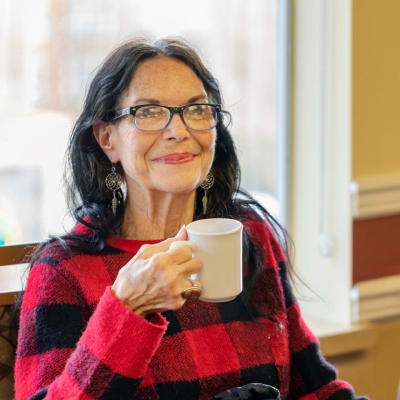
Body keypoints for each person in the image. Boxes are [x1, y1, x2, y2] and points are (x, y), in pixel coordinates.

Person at [14, 37, 368, 400]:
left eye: (197, 109)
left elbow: (316, 387)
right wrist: (127, 309)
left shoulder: (251, 235)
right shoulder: (65, 271)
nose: (179, 130)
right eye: (149, 112)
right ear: (107, 139)